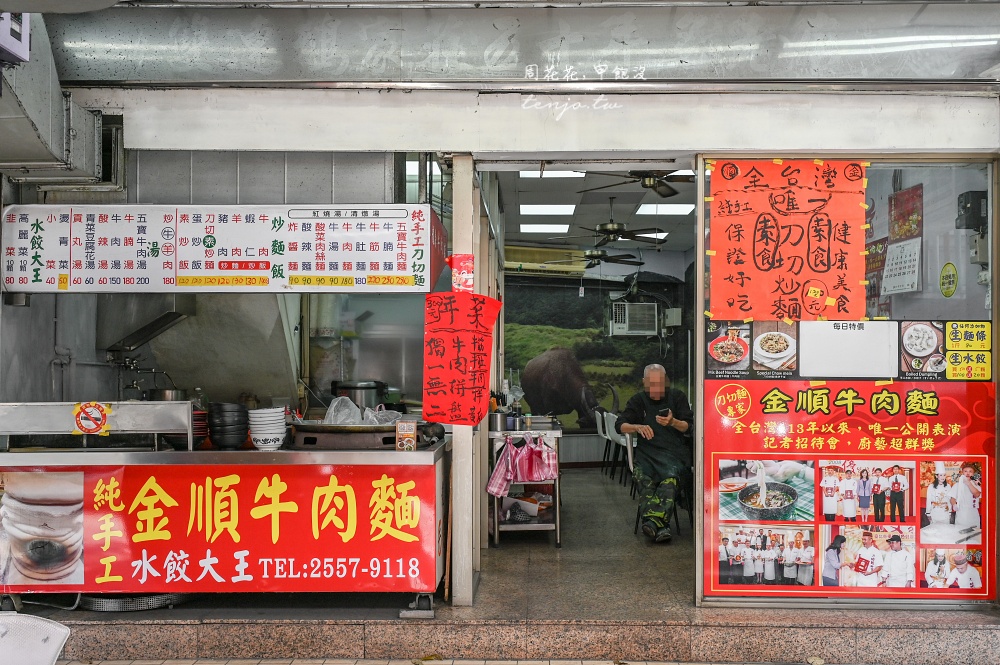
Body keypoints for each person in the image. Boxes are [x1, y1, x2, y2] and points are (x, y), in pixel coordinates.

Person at [615, 364, 693, 543]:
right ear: (644, 382)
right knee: (642, 478)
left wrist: (673, 422)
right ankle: (661, 526)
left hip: (674, 456)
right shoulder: (638, 401)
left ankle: (652, 523)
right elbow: (620, 425)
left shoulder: (677, 397)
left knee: (670, 479)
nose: (655, 389)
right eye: (651, 384)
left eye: (659, 384)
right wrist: (637, 426)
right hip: (647, 456)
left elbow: (689, 426)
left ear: (665, 381)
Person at [950, 463, 982, 529]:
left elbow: (977, 494)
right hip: (961, 512)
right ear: (962, 473)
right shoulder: (957, 485)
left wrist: (968, 483)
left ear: (973, 474)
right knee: (960, 532)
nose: (968, 473)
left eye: (970, 471)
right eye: (965, 471)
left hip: (973, 512)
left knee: (974, 533)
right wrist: (954, 505)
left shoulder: (976, 485)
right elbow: (952, 498)